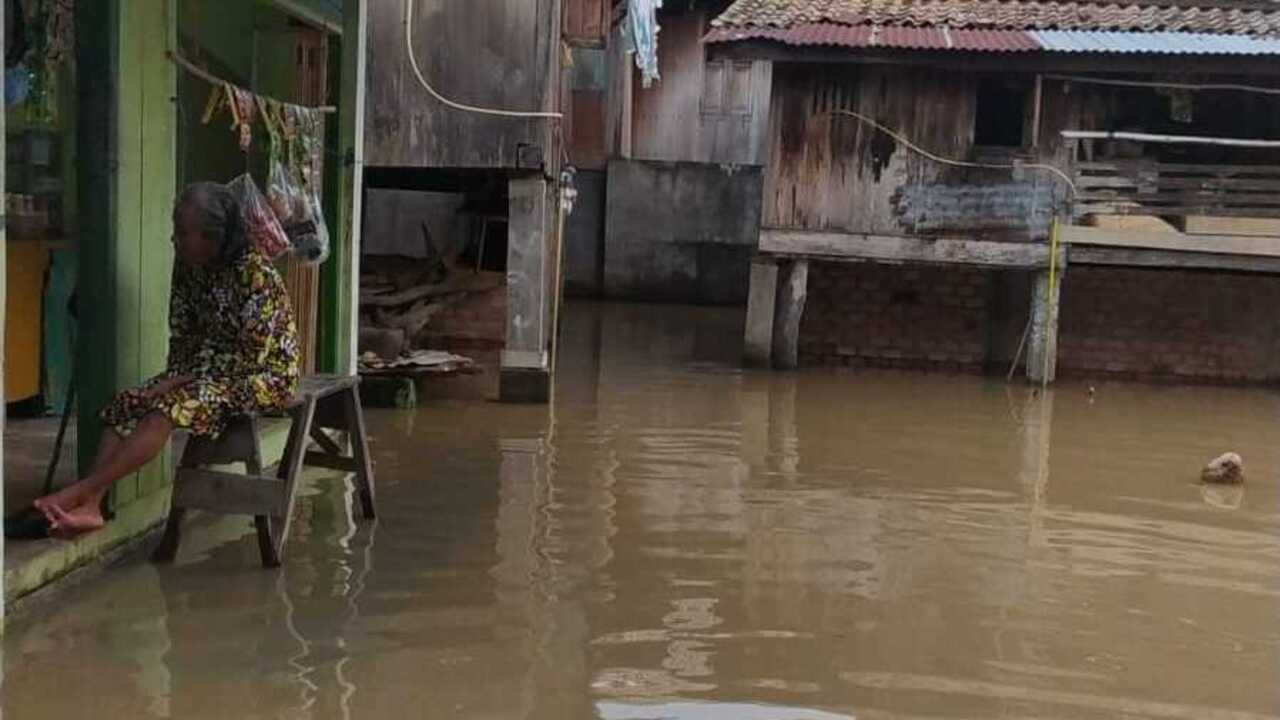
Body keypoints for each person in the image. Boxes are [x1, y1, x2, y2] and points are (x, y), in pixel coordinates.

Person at [33, 182, 300, 537]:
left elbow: (250, 357)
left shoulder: (256, 276)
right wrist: (172, 377)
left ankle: (81, 491)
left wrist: (177, 383)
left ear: (213, 236)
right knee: (127, 404)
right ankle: (92, 504)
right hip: (206, 372)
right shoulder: (190, 267)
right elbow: (183, 334)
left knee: (164, 409)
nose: (174, 240)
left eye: (182, 232)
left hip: (263, 377)